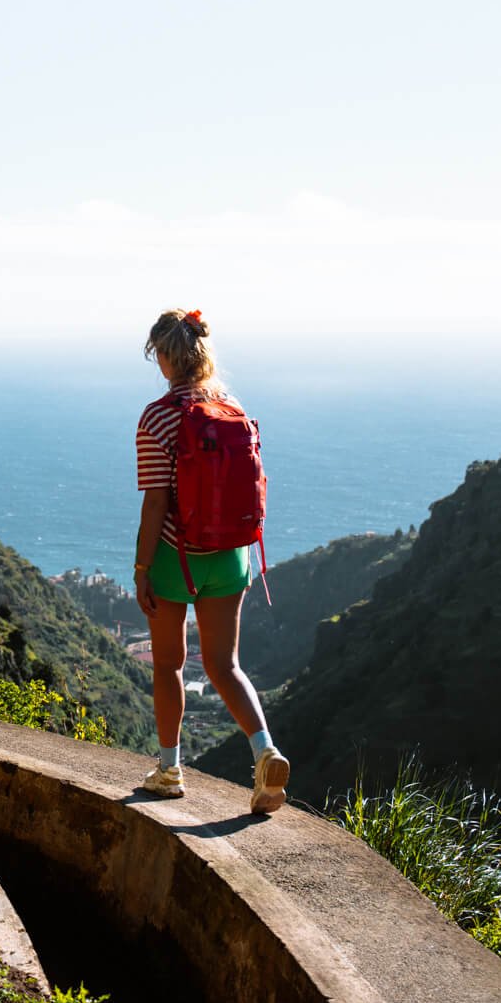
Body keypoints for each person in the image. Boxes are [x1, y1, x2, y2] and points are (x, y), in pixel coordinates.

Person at [134, 308, 290, 813]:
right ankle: (265, 752)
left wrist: (141, 569)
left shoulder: (157, 417)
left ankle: (169, 770)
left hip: (175, 558)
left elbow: (156, 503)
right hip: (230, 556)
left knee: (169, 666)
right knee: (226, 666)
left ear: (163, 357)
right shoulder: (231, 406)